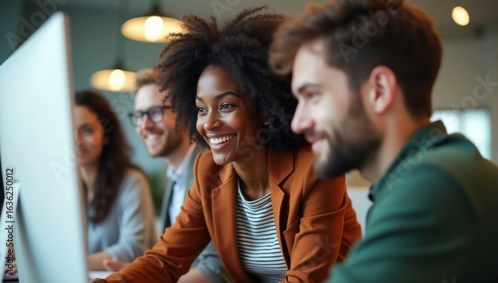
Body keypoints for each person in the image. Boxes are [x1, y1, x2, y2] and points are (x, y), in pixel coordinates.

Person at [93, 6, 361, 283]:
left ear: (266, 108)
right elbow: (165, 259)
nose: (209, 123)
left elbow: (306, 279)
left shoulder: (316, 168)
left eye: (226, 105)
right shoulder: (208, 171)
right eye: (200, 109)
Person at [269, 0, 498, 282]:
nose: (298, 123)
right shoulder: (408, 182)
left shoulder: (436, 181)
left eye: (313, 95)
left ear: (379, 90)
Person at [102, 69, 232, 283]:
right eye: (139, 115)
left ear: (183, 112)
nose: (145, 125)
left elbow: (217, 266)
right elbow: (172, 260)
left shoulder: (211, 170)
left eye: (154, 112)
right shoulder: (173, 178)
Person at [74, 90, 157, 270]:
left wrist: (71, 264)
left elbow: (133, 249)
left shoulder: (132, 181)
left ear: (106, 135)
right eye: (69, 130)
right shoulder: (67, 189)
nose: (77, 141)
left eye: (87, 130)